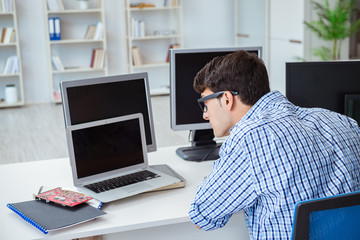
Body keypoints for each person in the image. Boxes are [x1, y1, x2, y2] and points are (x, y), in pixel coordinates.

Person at [188, 50, 360, 239]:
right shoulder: (342, 121)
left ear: (227, 99)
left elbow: (202, 215)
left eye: (205, 103)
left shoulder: (249, 139)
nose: (205, 114)